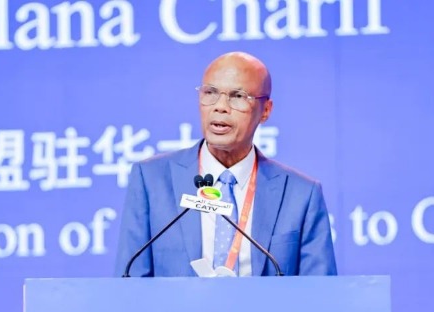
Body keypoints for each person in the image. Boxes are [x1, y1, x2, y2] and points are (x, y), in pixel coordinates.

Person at [115, 51, 337, 277]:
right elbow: (130, 281)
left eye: (238, 96)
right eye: (210, 93)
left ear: (266, 111)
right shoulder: (151, 179)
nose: (220, 106)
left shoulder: (301, 195)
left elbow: (320, 291)